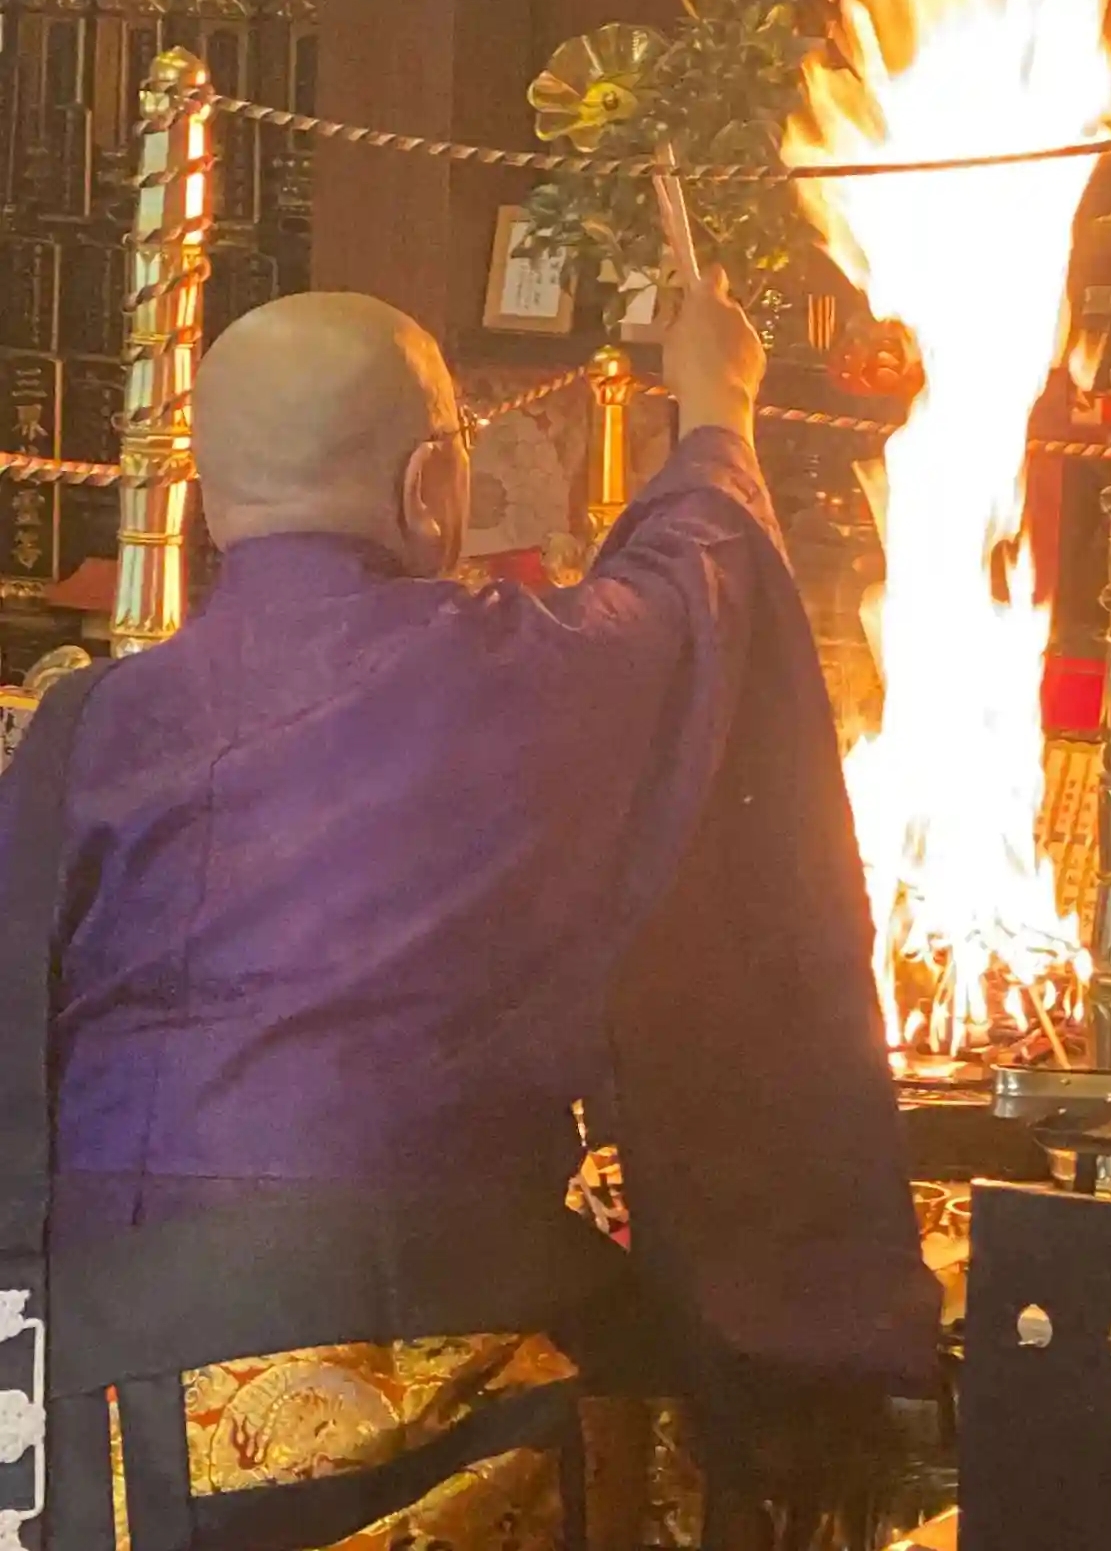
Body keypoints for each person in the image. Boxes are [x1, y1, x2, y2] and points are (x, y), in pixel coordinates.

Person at [0, 277, 939, 1551]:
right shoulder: (521, 666)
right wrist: (715, 403)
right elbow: (695, 591)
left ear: (213, 499)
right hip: (454, 1334)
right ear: (431, 482)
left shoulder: (83, 724)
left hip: (119, 1375)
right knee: (692, 1407)